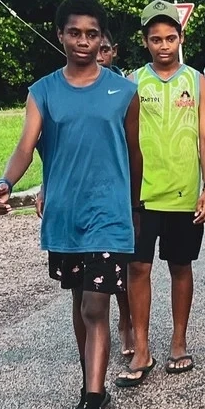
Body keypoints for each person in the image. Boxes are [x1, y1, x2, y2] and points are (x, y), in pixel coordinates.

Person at [0, 0, 141, 409]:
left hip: (109, 216)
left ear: (103, 40)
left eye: (92, 34)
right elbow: (25, 146)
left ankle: (91, 407)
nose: (83, 41)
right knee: (81, 302)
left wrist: (132, 206)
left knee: (96, 305)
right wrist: (5, 180)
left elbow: (134, 155)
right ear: (60, 35)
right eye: (74, 32)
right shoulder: (43, 92)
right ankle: (90, 385)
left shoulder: (123, 92)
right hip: (66, 218)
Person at [115, 0, 205, 387]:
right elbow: (123, 139)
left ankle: (178, 341)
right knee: (138, 268)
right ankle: (141, 348)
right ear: (145, 41)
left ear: (181, 37)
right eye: (155, 39)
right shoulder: (131, 83)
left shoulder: (196, 81)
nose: (163, 45)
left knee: (180, 267)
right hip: (141, 195)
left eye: (170, 38)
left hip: (184, 193)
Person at [95, 31, 136, 357]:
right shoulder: (75, 85)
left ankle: (126, 319)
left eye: (105, 49)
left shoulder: (127, 88)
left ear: (113, 52)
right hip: (87, 188)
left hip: (119, 186)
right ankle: (99, 330)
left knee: (123, 263)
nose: (98, 54)